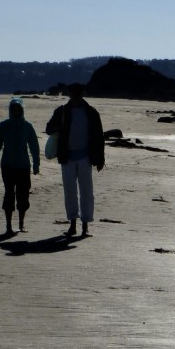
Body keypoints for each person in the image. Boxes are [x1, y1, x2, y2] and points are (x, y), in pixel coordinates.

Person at [45, 84, 105, 237]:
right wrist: (58, 126)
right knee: (70, 192)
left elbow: (99, 137)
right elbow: (49, 129)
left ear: (82, 93)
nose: (76, 95)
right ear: (70, 93)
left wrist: (100, 158)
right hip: (67, 157)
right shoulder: (62, 111)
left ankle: (85, 226)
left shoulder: (91, 112)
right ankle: (73, 225)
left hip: (85, 157)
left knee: (87, 192)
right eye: (74, 92)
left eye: (78, 92)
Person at [0, 97, 40, 235]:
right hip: (8, 166)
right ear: (10, 110)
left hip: (24, 166)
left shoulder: (27, 126)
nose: (16, 110)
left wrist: (36, 164)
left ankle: (21, 224)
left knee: (23, 196)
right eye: (14, 108)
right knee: (9, 195)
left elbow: (34, 146)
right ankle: (8, 226)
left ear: (22, 109)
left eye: (19, 108)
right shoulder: (3, 126)